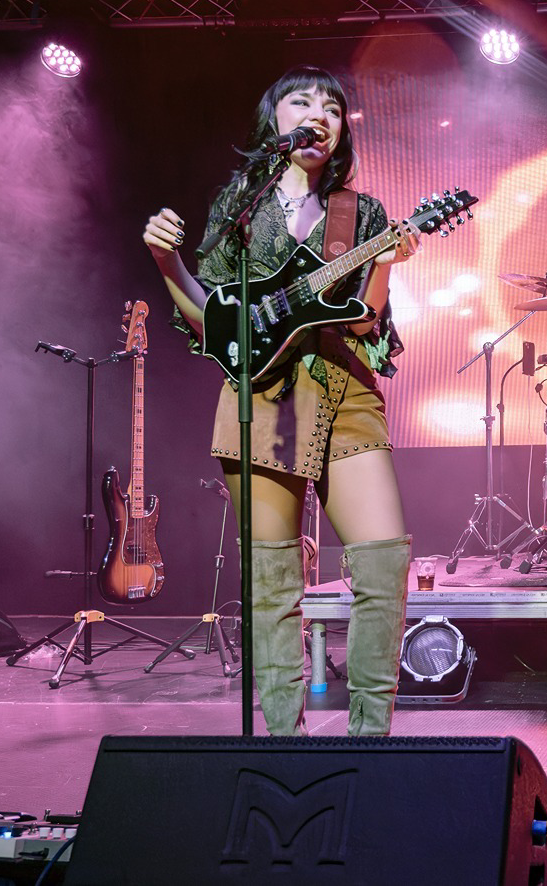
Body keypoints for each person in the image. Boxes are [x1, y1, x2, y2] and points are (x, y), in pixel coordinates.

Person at [142, 65, 422, 736]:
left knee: (383, 562)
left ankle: (370, 743)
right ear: (275, 119)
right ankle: (285, 744)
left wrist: (383, 260)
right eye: (303, 101)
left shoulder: (362, 213)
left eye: (333, 105)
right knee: (272, 583)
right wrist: (164, 264)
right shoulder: (239, 208)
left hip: (343, 388)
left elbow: (363, 321)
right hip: (262, 396)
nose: (320, 113)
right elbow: (211, 321)